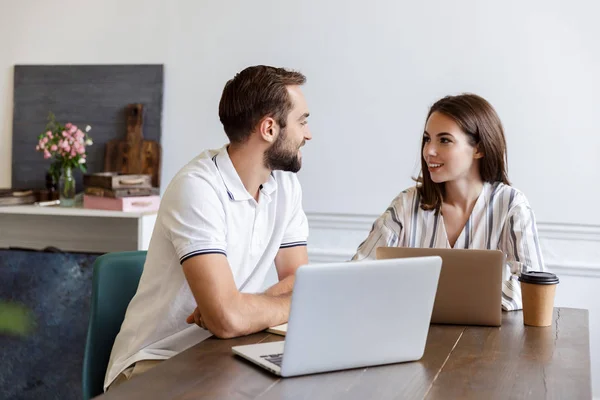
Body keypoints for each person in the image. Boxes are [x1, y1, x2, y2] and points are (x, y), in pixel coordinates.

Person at [104, 65, 312, 391]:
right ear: (269, 128)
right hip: (154, 364)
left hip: (222, 352)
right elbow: (229, 318)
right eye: (302, 121)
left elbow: (298, 280)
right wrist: (230, 312)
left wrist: (237, 308)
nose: (308, 134)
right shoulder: (197, 188)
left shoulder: (286, 186)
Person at [353, 93, 544, 311]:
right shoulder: (406, 204)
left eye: (444, 140)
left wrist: (437, 298)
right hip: (413, 338)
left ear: (478, 149)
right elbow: (358, 273)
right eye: (427, 139)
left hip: (489, 342)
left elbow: (534, 288)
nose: (429, 151)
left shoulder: (511, 205)